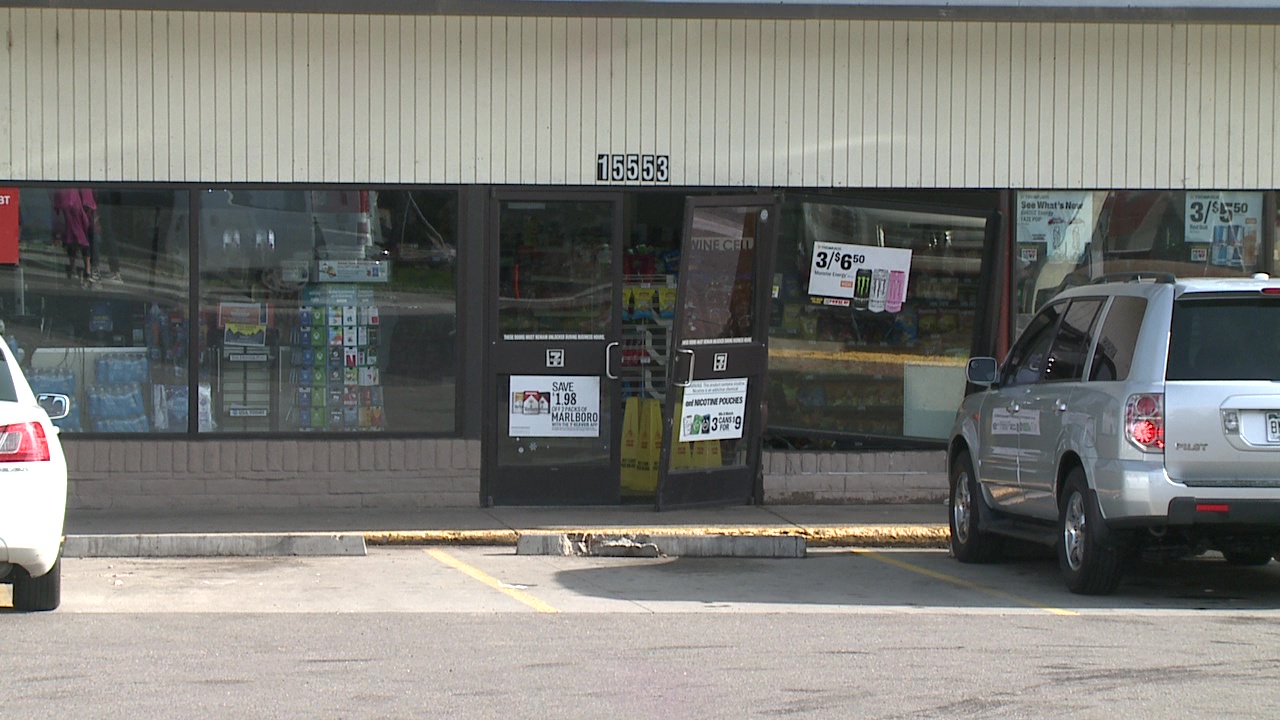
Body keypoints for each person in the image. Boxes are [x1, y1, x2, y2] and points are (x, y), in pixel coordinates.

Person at [52, 188, 97, 287]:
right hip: (77, 205)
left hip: (72, 204)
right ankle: (86, 270)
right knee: (82, 239)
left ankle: (75, 269)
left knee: (73, 238)